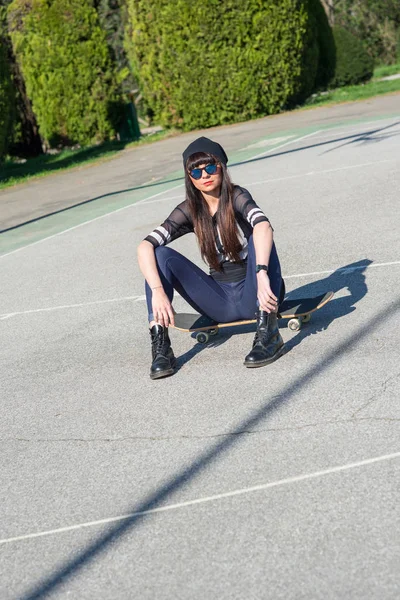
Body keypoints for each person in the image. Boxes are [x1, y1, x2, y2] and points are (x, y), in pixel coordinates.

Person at [137, 136, 286, 379]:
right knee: (158, 254)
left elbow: (263, 226)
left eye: (209, 167)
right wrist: (158, 290)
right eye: (196, 172)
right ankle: (161, 347)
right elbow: (144, 246)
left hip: (258, 293)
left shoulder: (237, 196)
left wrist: (261, 275)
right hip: (220, 303)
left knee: (258, 235)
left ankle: (269, 337)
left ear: (222, 167)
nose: (204, 175)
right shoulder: (189, 210)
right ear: (190, 179)